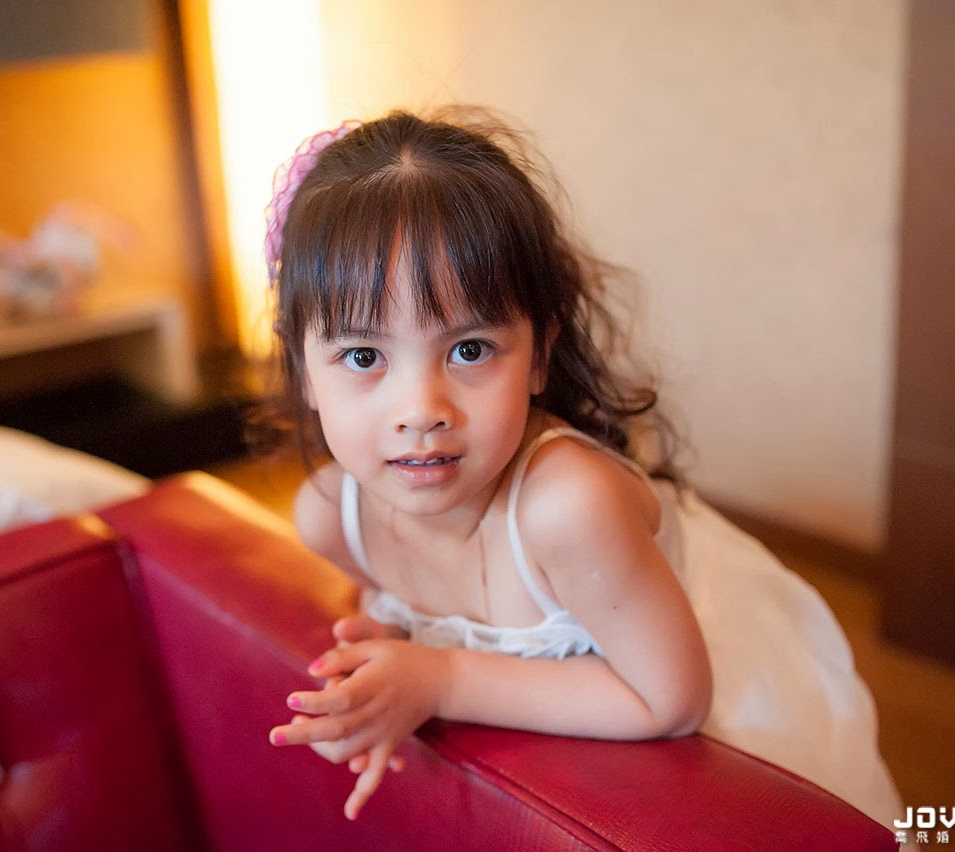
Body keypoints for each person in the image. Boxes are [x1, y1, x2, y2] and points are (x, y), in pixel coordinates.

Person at [261, 108, 901, 827]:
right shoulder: (330, 519)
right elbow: (412, 612)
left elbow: (671, 700)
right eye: (363, 356)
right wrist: (395, 643)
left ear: (539, 353)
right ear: (304, 369)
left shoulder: (568, 506)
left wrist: (440, 677)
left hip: (682, 673)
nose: (421, 410)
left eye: (469, 349)